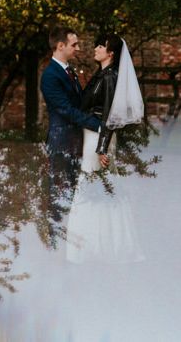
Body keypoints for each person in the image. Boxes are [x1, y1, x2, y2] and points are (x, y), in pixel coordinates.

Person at [66, 33, 145, 263]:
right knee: (95, 186)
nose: (96, 48)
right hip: (93, 136)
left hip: (99, 138)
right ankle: (92, 244)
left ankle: (99, 247)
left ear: (111, 53)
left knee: (96, 186)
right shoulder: (101, 74)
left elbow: (111, 114)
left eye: (101, 46)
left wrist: (102, 148)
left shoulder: (110, 77)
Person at [40, 26, 102, 229]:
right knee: (58, 194)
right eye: (74, 44)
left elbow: (80, 102)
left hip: (75, 141)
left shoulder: (69, 71)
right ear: (60, 46)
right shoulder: (50, 75)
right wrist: (95, 124)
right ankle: (55, 242)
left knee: (74, 191)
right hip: (61, 142)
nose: (77, 48)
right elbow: (66, 109)